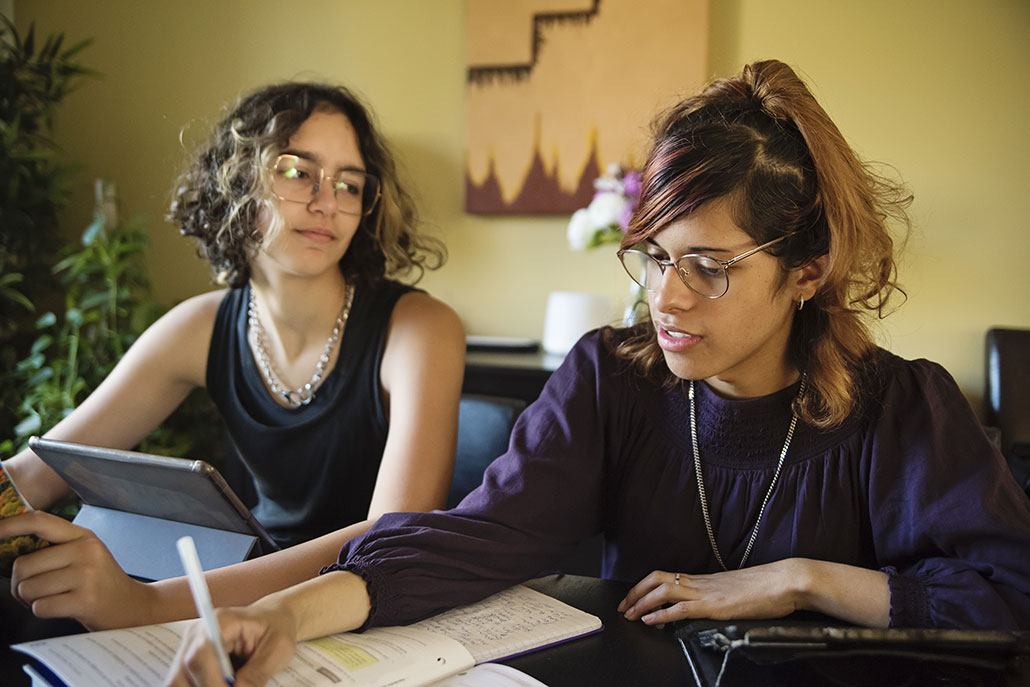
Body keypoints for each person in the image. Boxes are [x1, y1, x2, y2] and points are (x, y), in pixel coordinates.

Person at [165, 59, 1030, 685]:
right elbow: (469, 540)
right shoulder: (612, 383)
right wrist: (285, 612)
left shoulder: (902, 408)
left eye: (710, 266)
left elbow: (1010, 598)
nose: (668, 298)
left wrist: (801, 579)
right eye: (654, 257)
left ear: (806, 272)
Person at [0, 82, 465, 631]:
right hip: (235, 597)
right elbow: (36, 473)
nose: (326, 202)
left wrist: (147, 605)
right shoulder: (199, 327)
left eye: (349, 184)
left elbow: (392, 535)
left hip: (370, 609)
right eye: (298, 171)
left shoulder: (421, 329)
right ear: (239, 179)